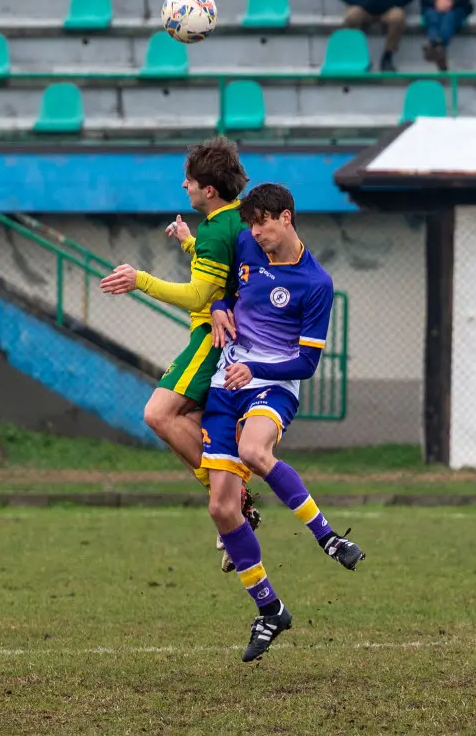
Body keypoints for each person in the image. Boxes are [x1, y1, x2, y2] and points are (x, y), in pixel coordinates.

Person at [200, 183, 365, 663]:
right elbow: (225, 290)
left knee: (255, 451)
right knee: (221, 508)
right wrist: (216, 308)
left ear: (287, 218)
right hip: (227, 382)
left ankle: (328, 537)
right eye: (251, 224)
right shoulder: (249, 245)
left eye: (264, 223)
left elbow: (307, 365)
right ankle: (270, 610)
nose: (255, 233)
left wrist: (258, 369)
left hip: (273, 383)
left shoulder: (316, 284)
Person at [97, 138, 262, 574]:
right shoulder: (235, 222)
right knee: (196, 424)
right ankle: (232, 497)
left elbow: (199, 295)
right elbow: (225, 272)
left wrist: (140, 280)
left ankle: (233, 500)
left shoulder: (216, 230)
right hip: (230, 336)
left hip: (211, 336)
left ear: (209, 189)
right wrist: (190, 244)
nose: (183, 184)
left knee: (159, 414)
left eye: (190, 178)